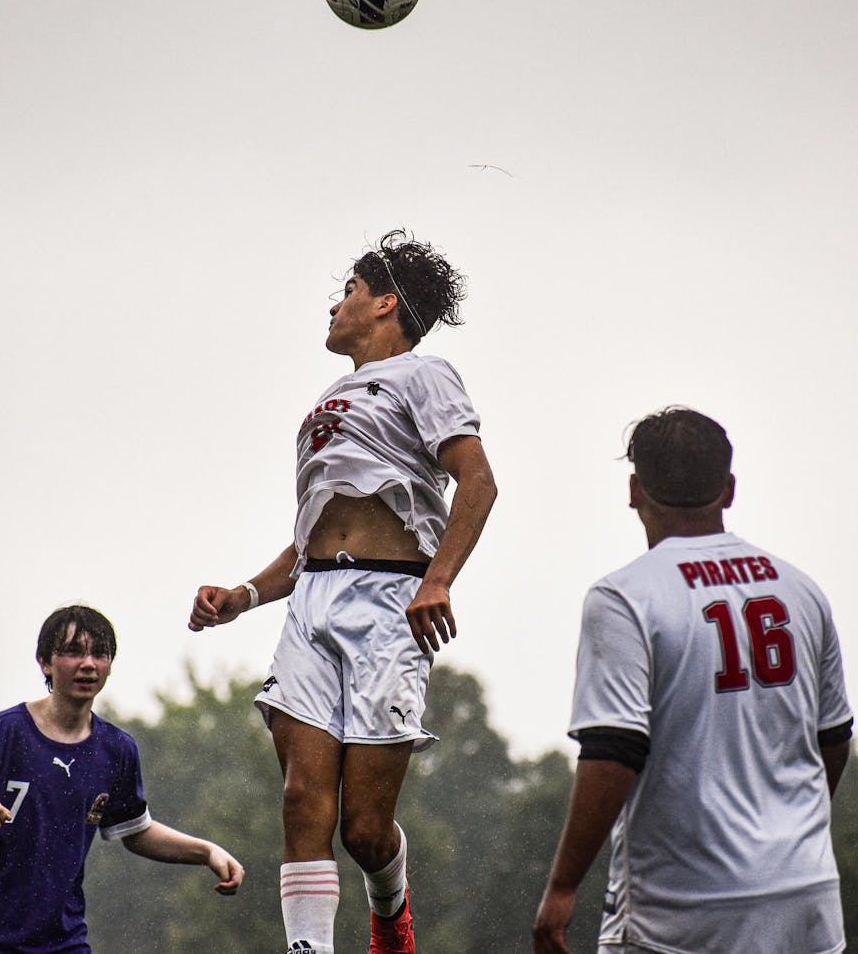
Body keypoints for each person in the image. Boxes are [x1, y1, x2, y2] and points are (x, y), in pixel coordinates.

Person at [189, 229, 497, 954]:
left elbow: (479, 482)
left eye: (350, 291)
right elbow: (312, 534)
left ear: (385, 301)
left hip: (388, 606)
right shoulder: (326, 397)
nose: (337, 304)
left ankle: (390, 905)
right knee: (301, 799)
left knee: (363, 825)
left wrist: (439, 578)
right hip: (311, 605)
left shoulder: (424, 375)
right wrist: (242, 593)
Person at [533, 407, 853, 954]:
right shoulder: (801, 589)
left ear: (635, 490)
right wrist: (784, 836)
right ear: (729, 489)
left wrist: (562, 887)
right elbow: (834, 739)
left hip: (683, 902)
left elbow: (614, 749)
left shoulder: (623, 597)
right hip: (805, 892)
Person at [0, 604, 245, 954]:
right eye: (73, 652)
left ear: (110, 665)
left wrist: (207, 852)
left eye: (99, 654)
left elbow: (135, 830)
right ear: (44, 662)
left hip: (63, 942)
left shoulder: (116, 750)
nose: (88, 664)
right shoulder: (4, 733)